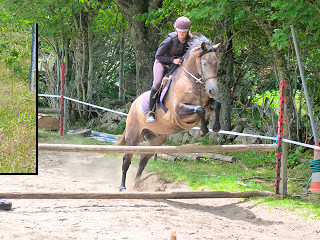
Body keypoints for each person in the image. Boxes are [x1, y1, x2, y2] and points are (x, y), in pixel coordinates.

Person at [146, 16, 193, 123]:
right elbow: (158, 55)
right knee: (157, 82)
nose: (181, 33)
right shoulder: (170, 39)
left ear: (187, 31)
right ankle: (151, 112)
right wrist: (172, 60)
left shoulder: (190, 40)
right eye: (180, 31)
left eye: (184, 31)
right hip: (162, 63)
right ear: (176, 30)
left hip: (176, 65)